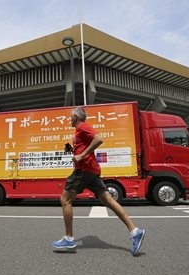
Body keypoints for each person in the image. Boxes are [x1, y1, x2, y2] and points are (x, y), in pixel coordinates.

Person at [52, 106, 146, 255]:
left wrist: (81, 156)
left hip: (84, 170)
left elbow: (99, 139)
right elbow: (85, 146)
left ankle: (68, 239)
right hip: (92, 171)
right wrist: (73, 151)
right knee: (108, 200)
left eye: (71, 116)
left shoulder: (83, 127)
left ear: (76, 117)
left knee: (65, 199)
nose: (69, 119)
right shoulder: (78, 132)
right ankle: (135, 231)